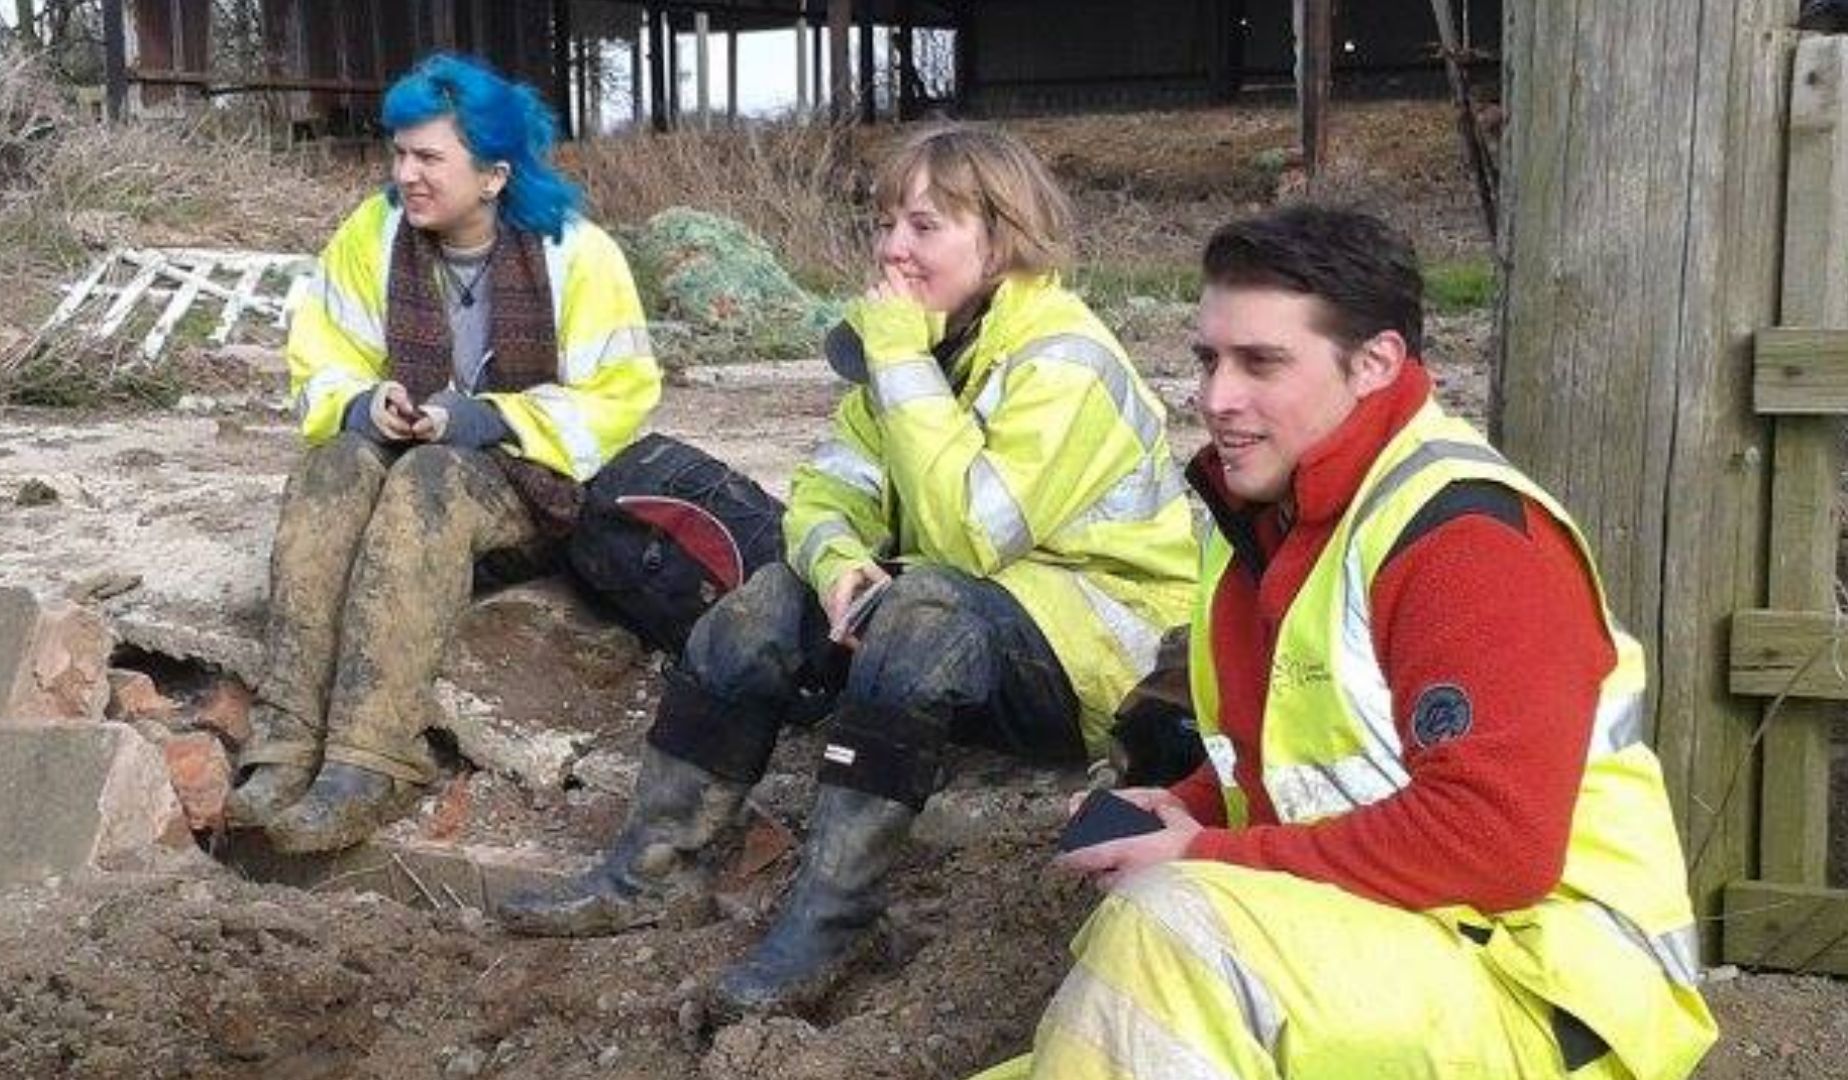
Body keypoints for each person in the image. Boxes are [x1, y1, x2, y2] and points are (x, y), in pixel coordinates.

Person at [977, 206, 1718, 1079]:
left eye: (1262, 363)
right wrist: (1193, 805)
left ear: (1375, 365)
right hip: (1413, 946)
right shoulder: (1266, 515)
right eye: (1208, 359)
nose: (1217, 398)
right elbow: (1302, 753)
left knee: (1166, 932)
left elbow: (1496, 844)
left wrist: (1203, 855)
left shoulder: (1463, 539)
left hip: (1553, 998)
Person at [495, 123, 1200, 1021]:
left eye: (925, 226)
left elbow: (971, 538)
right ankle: (651, 872)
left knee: (925, 609)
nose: (894, 249)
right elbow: (829, 486)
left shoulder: (1062, 359)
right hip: (976, 609)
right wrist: (835, 564)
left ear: (1004, 234)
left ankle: (831, 923)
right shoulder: (930, 337)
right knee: (764, 606)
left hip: (1099, 650)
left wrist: (900, 359)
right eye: (885, 224)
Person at [224, 53, 667, 853]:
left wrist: (488, 418)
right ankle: (286, 746)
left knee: (432, 479)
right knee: (329, 464)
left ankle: (372, 759)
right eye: (399, 153)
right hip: (409, 459)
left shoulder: (578, 253)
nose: (406, 174)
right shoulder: (374, 231)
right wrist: (366, 402)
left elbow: (623, 396)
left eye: (429, 157)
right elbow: (321, 354)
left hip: (527, 485)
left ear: (494, 175)